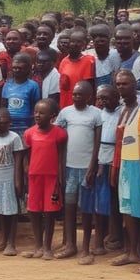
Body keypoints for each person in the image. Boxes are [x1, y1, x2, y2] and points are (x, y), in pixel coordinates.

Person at [54, 81, 102, 263]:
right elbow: (59, 140)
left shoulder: (96, 114)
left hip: (86, 167)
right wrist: (61, 167)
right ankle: (70, 245)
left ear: (89, 97)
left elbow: (97, 143)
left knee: (87, 209)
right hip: (69, 167)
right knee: (69, 206)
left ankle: (86, 248)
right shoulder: (65, 113)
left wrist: (92, 166)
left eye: (80, 95)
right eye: (74, 94)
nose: (76, 97)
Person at [112, 70, 140, 266]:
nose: (121, 87)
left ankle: (138, 250)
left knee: (139, 208)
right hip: (124, 162)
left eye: (125, 84)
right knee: (126, 207)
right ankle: (130, 250)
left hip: (138, 162)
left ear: (134, 85)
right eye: (118, 84)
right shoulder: (123, 109)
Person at [23, 99, 67, 259]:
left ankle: (48, 247)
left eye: (42, 113)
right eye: (35, 112)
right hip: (34, 177)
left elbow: (61, 156)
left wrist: (60, 179)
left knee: (49, 212)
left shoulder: (60, 134)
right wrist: (26, 175)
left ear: (52, 116)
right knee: (33, 211)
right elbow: (27, 156)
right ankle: (38, 246)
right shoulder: (29, 133)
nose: (37, 115)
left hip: (51, 178)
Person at [0, 108, 24, 256]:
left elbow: (19, 161)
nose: (1, 125)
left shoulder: (14, 138)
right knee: (0, 210)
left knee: (11, 211)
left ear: (10, 123)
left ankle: (11, 242)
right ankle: (3, 240)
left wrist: (18, 181)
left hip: (9, 178)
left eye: (4, 122)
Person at [92, 84, 121, 259]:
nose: (103, 101)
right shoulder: (98, 114)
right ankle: (100, 236)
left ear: (116, 97)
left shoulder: (122, 112)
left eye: (107, 98)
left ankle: (116, 235)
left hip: (115, 159)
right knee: (100, 200)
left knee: (115, 201)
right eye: (100, 98)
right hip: (100, 159)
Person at [2, 53, 41, 138]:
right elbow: (4, 105)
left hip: (26, 126)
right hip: (9, 126)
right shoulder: (7, 84)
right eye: (14, 68)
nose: (16, 70)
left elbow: (35, 106)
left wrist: (33, 124)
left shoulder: (33, 86)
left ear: (28, 68)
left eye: (20, 68)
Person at [57, 30, 95, 110]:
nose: (75, 44)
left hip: (81, 106)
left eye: (79, 42)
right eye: (73, 41)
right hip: (64, 105)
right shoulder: (64, 61)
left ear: (84, 45)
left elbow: (90, 87)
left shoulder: (88, 61)